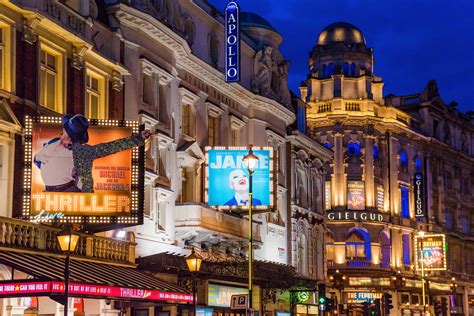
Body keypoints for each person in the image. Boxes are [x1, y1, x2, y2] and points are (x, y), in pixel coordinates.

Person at [35, 114, 151, 193]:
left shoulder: (82, 151)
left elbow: (111, 147)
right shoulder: (51, 143)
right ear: (64, 130)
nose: (71, 140)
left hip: (68, 194)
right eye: (69, 135)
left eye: (75, 138)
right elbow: (38, 160)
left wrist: (138, 138)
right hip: (48, 193)